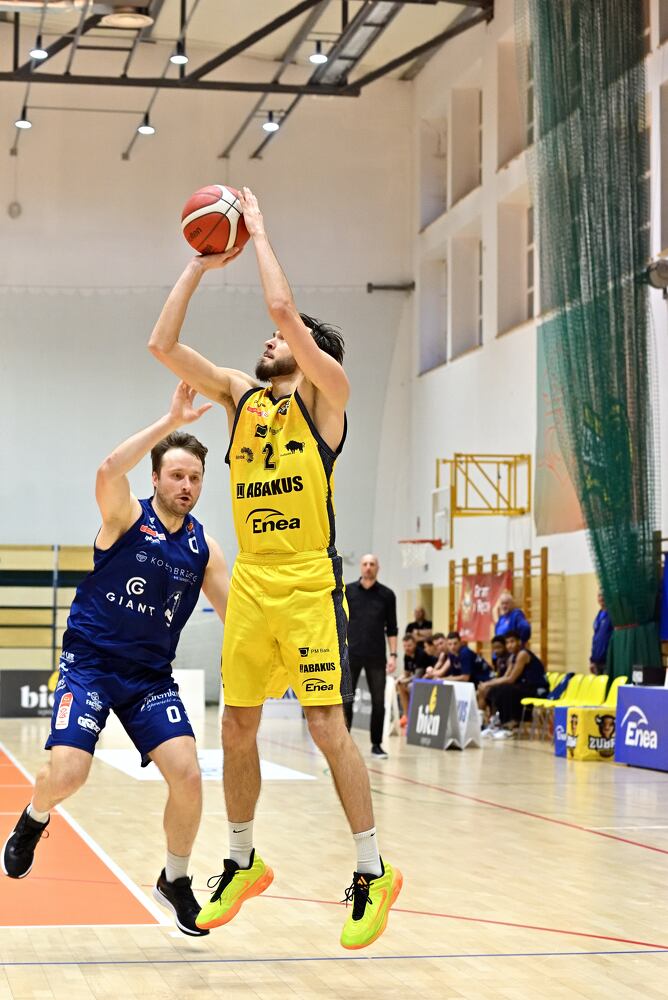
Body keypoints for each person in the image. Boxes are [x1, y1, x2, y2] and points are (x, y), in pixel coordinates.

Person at [148, 187, 402, 950]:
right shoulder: (241, 400)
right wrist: (199, 265)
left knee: (326, 726)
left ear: (312, 353)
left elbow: (286, 311)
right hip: (254, 582)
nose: (268, 339)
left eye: (281, 338)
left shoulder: (328, 401)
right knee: (238, 725)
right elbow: (163, 344)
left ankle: (373, 870)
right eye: (266, 337)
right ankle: (241, 860)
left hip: (309, 585)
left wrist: (257, 232)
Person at [1, 383, 230, 938]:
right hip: (91, 665)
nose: (186, 486)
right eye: (176, 475)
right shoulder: (126, 516)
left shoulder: (203, 548)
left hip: (149, 678)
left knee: (188, 774)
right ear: (155, 478)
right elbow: (108, 468)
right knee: (68, 774)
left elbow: (236, 615)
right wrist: (170, 420)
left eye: (195, 478)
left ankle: (174, 879)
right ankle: (34, 818)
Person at [344, 554, 398, 760]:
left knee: (378, 701)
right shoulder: (347, 591)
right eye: (365, 564)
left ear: (378, 568)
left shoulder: (387, 595)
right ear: (360, 567)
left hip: (376, 655)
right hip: (351, 654)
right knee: (346, 700)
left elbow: (392, 628)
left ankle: (376, 744)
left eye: (372, 564)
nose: (368, 567)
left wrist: (393, 655)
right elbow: (338, 622)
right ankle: (345, 745)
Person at [477, 630, 547, 739]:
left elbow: (511, 679)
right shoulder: (512, 657)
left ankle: (510, 726)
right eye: (507, 642)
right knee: (496, 689)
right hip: (523, 687)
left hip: (537, 688)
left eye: (512, 642)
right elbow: (505, 677)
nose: (509, 645)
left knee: (507, 690)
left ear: (519, 642)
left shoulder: (523, 654)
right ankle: (497, 721)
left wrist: (487, 683)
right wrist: (488, 684)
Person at [396, 633, 435, 724]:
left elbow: (418, 676)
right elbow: (406, 673)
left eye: (409, 645)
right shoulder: (406, 656)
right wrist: (398, 680)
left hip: (428, 679)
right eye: (405, 646)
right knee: (400, 686)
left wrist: (404, 681)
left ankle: (415, 716)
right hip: (417, 680)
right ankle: (406, 716)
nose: (407, 648)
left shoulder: (420, 654)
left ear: (415, 644)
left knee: (411, 686)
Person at [590, 591, 613, 674]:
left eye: (604, 595)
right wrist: (592, 661)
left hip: (607, 662)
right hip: (597, 662)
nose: (601, 598)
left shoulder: (611, 615)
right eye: (599, 595)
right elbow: (595, 640)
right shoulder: (598, 616)